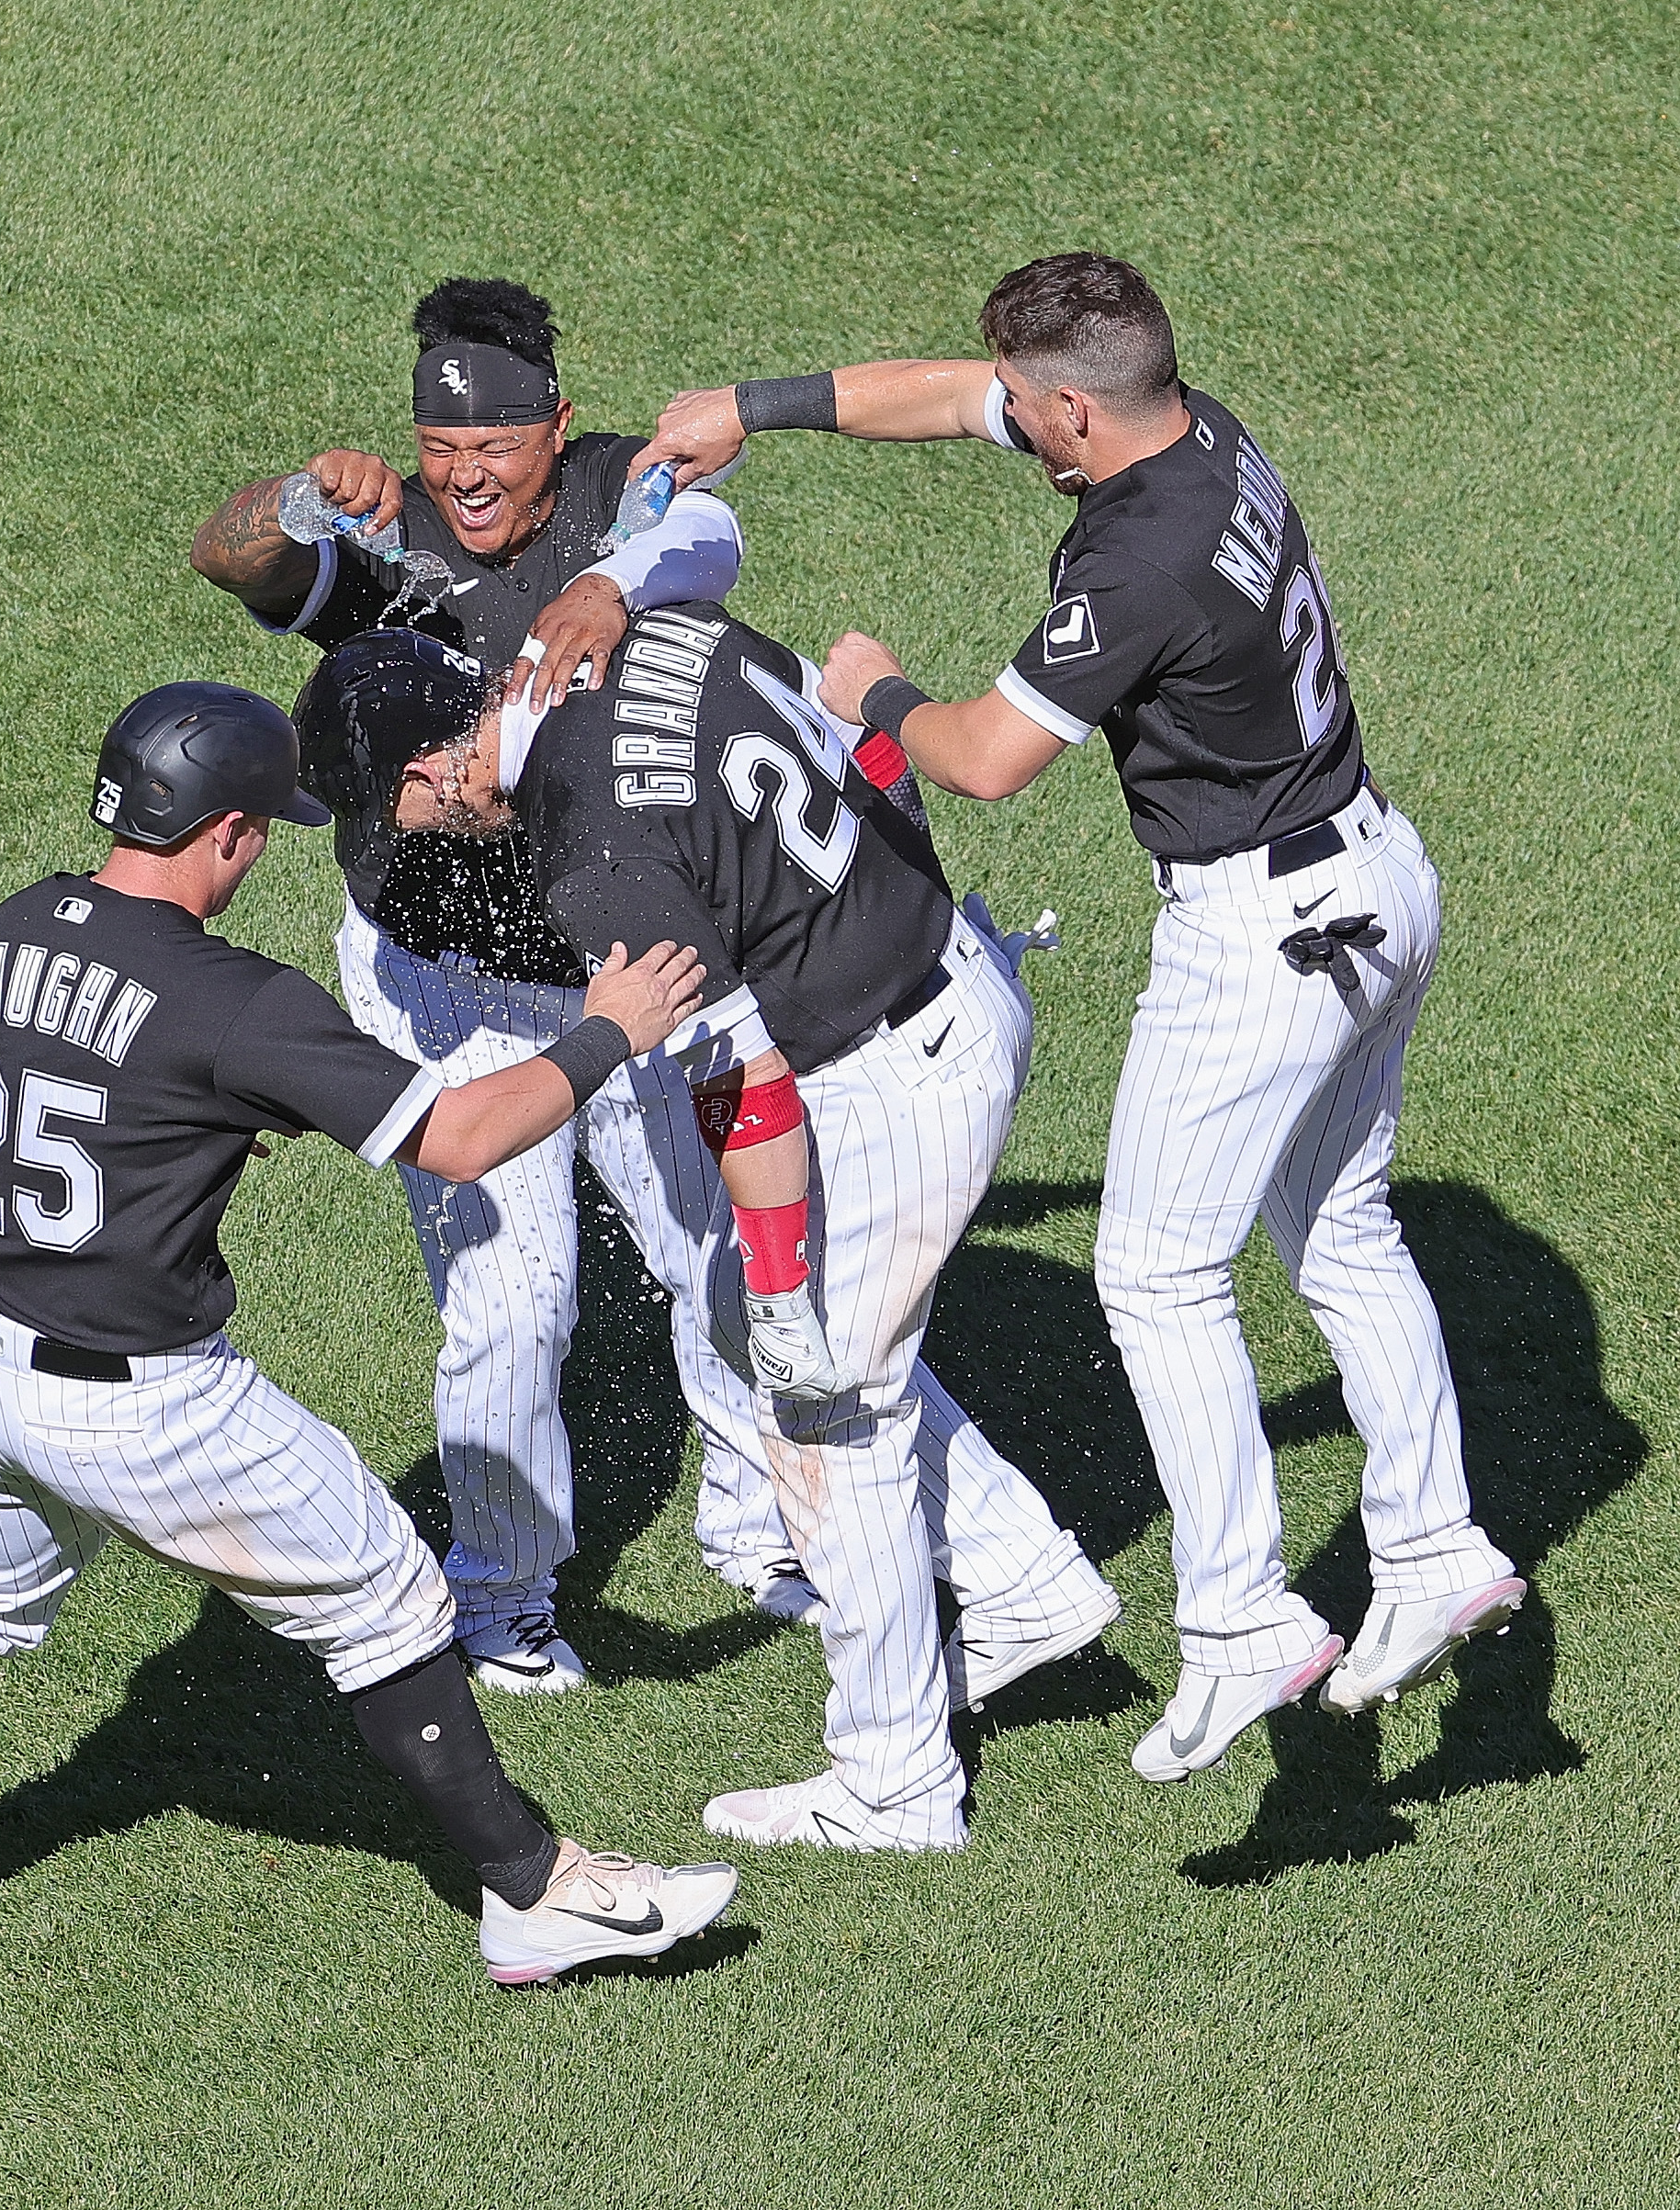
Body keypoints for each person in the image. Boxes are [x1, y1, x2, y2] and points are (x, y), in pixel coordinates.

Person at [0, 681, 738, 2015]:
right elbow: (466, 1137)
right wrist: (611, 1031)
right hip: (141, 1406)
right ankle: (537, 1894)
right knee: (392, 1596)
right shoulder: (235, 999)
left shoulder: (9, 928)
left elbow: (129, 1092)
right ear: (232, 833)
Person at [642, 253, 1525, 1782]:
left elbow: (983, 756)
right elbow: (951, 393)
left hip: (1266, 936)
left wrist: (874, 694)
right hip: (1379, 871)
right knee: (1342, 1227)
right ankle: (1435, 1544)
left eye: (1031, 414)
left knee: (1158, 1273)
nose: (1017, 429)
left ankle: (1242, 1612)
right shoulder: (1195, 427)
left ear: (1078, 407)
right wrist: (755, 409)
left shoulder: (1144, 561)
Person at [302, 616, 1122, 1854]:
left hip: (886, 1081)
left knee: (829, 1414)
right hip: (949, 979)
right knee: (782, 1339)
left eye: (394, 816)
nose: (404, 844)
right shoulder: (650, 636)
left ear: (436, 772)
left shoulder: (590, 864)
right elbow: (855, 745)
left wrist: (786, 1291)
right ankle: (1025, 1586)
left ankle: (896, 1777)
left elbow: (750, 1092)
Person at [192, 277, 823, 1692]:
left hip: (629, 951)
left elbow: (707, 534)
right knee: (516, 1299)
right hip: (447, 980)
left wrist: (614, 579)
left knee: (718, 1246)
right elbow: (226, 556)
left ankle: (755, 1526)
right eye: (437, 446)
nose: (463, 476)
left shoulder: (620, 498)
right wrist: (295, 490)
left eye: (494, 446)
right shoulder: (388, 545)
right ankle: (502, 1600)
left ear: (557, 422)